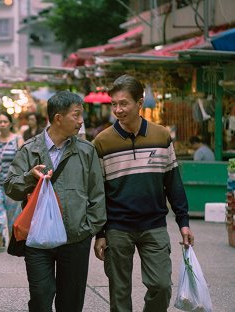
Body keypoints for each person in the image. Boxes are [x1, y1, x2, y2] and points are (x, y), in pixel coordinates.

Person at [92, 74, 195, 312]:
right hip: (117, 228)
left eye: (124, 103)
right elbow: (98, 193)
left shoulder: (161, 136)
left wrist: (184, 222)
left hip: (154, 225)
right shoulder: (102, 142)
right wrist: (100, 233)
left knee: (161, 285)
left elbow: (173, 183)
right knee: (119, 292)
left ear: (140, 102)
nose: (118, 110)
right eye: (114, 104)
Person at [4, 91, 106, 312]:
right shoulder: (30, 149)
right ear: (58, 118)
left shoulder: (86, 151)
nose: (81, 121)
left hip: (75, 238)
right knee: (41, 296)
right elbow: (11, 188)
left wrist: (90, 229)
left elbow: (97, 194)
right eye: (76, 115)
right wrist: (29, 177)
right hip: (38, 239)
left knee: (71, 302)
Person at [0, 112, 23, 252]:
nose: (2, 124)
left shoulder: (17, 140)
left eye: (5, 122)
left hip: (13, 184)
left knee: (14, 215)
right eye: (0, 122)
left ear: (10, 124)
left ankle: (13, 241)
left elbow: (22, 162)